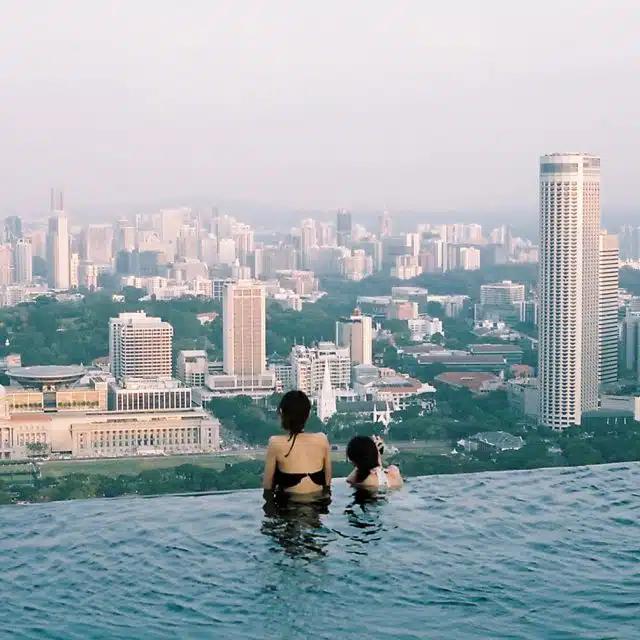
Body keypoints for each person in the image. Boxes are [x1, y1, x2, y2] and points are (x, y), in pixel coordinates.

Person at [263, 390, 332, 495]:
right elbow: (327, 483)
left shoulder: (275, 443)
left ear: (281, 412)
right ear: (308, 414)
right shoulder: (322, 439)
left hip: (289, 506)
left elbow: (267, 487)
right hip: (318, 506)